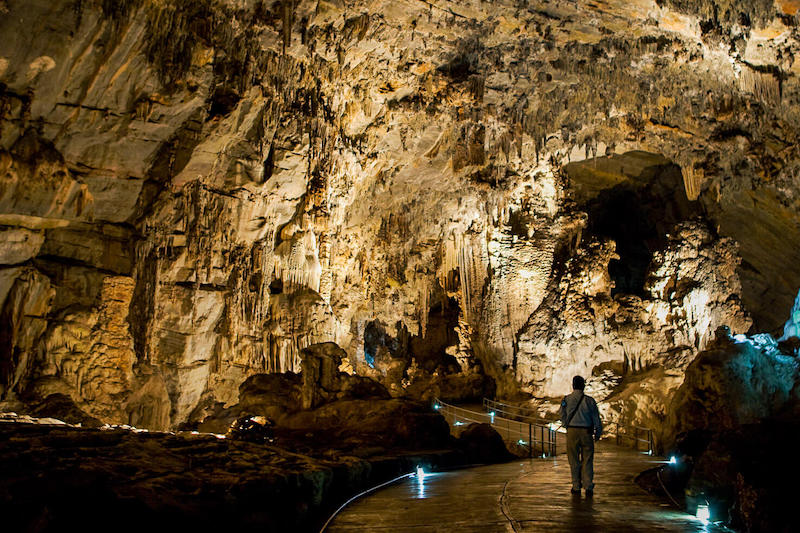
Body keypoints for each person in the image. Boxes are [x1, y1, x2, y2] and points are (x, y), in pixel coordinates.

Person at [560, 375, 602, 496]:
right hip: (586, 432)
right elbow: (596, 418)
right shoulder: (589, 401)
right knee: (587, 459)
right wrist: (598, 432)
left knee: (573, 460)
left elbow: (562, 413)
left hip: (572, 431)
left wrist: (565, 424)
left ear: (573, 385)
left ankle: (576, 486)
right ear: (583, 385)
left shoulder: (566, 399)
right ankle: (588, 485)